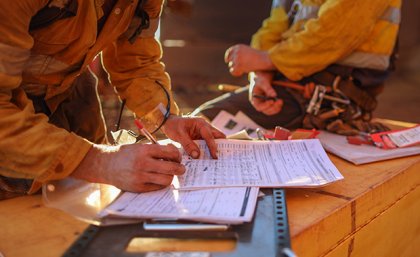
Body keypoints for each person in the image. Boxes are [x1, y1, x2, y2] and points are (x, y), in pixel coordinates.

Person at [0, 0, 225, 198]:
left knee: (88, 206)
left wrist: (167, 119)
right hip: (12, 125)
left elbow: (136, 62)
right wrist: (99, 162)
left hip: (72, 96)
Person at [193, 0, 401, 135]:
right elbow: (274, 26)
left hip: (334, 99)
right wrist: (261, 75)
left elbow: (335, 34)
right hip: (290, 88)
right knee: (200, 126)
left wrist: (265, 59)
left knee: (206, 123)